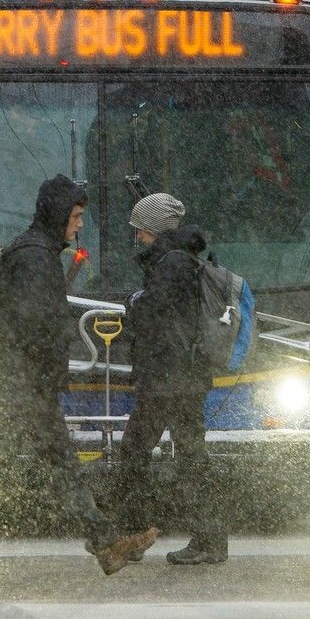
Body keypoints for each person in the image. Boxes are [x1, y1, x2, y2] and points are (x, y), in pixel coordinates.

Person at [0, 174, 158, 582]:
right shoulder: (35, 258)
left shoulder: (37, 252)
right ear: (57, 215)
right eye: (75, 215)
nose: (80, 224)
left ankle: (105, 543)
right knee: (1, 469)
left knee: (55, 466)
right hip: (25, 386)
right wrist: (55, 348)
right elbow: (34, 324)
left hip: (26, 384)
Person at [108, 193, 228, 565]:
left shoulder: (172, 263)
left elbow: (152, 312)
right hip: (183, 376)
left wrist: (134, 302)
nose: (137, 237)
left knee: (135, 449)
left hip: (169, 377)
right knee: (192, 455)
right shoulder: (181, 259)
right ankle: (210, 539)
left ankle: (135, 535)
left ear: (156, 230)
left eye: (141, 230)